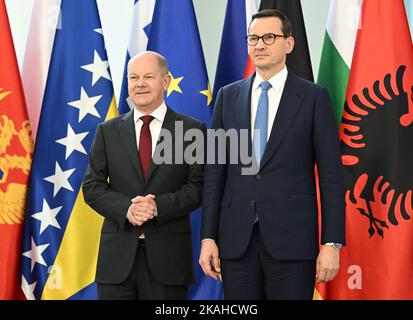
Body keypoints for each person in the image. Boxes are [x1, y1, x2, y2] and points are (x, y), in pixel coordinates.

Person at [199, 9, 345, 300]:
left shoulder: (314, 97)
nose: (259, 45)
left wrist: (332, 242)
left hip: (292, 242)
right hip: (236, 242)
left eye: (269, 37)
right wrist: (208, 237)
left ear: (288, 44)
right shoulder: (228, 97)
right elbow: (215, 173)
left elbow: (331, 176)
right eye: (253, 38)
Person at [83, 51, 206, 300]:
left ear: (166, 81)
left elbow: (199, 187)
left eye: (148, 76)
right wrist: (127, 208)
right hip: (117, 262)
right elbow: (93, 186)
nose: (139, 84)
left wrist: (156, 206)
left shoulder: (192, 130)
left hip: (168, 262)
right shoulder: (107, 131)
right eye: (133, 77)